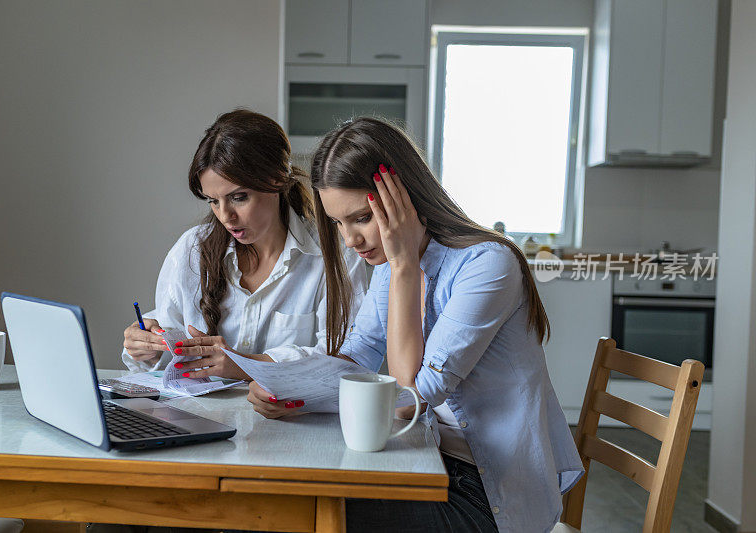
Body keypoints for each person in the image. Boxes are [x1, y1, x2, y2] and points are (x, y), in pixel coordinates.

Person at [246, 117, 584, 533]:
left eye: (360, 218)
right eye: (337, 223)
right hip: (431, 459)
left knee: (298, 515)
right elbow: (359, 352)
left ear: (403, 198)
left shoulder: (487, 264)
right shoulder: (392, 263)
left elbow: (415, 387)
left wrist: (405, 263)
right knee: (280, 499)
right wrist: (294, 391)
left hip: (488, 493)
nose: (350, 240)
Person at [121, 109, 367, 380]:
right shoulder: (191, 250)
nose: (226, 216)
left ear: (277, 180)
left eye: (238, 197)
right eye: (213, 201)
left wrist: (245, 365)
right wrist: (148, 348)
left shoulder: (336, 253)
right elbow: (171, 347)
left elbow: (346, 360)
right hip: (199, 417)